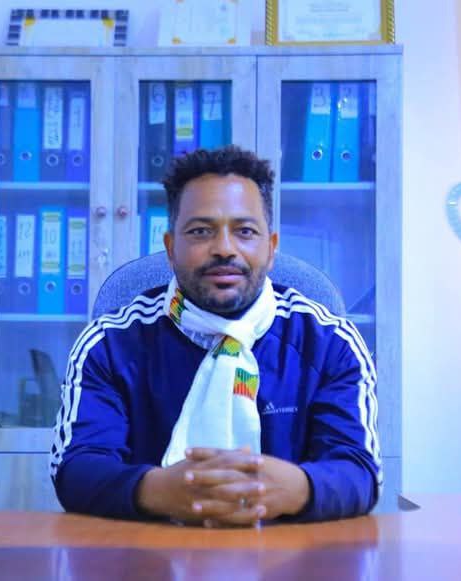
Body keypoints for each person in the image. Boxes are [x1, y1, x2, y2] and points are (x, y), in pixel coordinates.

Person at [50, 145, 381, 526]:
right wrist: (160, 490)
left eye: (245, 231)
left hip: (290, 552)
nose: (224, 248)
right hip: (145, 551)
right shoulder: (109, 344)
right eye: (200, 231)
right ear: (171, 248)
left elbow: (359, 470)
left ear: (271, 248)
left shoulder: (331, 343)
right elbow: (76, 467)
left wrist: (293, 487)